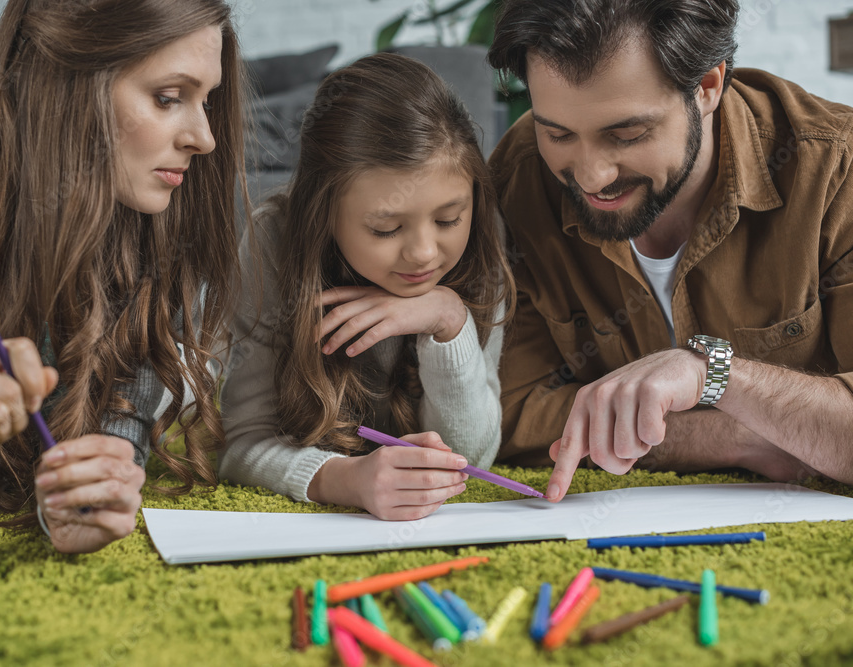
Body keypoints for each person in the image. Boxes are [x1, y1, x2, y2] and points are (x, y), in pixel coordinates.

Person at [0, 0, 248, 553]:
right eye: (167, 98)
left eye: (207, 101)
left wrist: (93, 491)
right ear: (63, 86)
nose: (204, 138)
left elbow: (109, 455)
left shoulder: (160, 220)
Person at [486, 0, 853, 502]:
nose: (592, 176)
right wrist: (733, 436)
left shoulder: (835, 172)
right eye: (557, 133)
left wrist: (712, 375)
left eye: (627, 134)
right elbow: (507, 413)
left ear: (707, 86)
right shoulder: (516, 180)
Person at [219, 53, 516, 520]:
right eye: (384, 228)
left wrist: (448, 321)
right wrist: (344, 479)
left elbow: (470, 460)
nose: (423, 252)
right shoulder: (272, 244)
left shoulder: (481, 239)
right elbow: (242, 444)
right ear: (325, 215)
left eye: (447, 218)